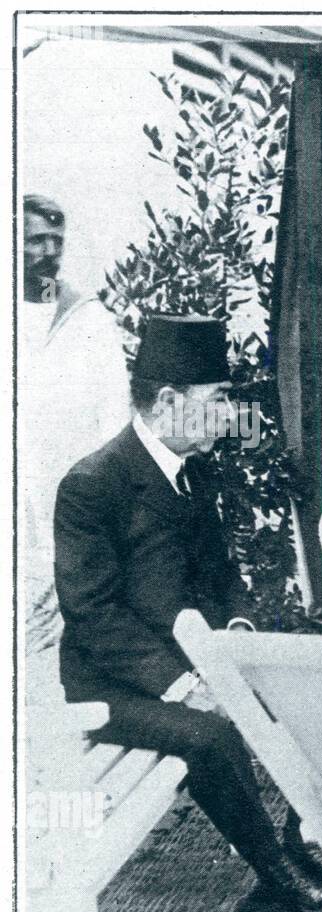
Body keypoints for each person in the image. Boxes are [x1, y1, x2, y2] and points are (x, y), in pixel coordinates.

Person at [53, 314, 322, 912]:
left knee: (305, 692)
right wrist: (184, 686)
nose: (228, 417)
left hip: (196, 663)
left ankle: (305, 843)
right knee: (211, 736)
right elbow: (94, 616)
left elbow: (222, 579)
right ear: (169, 402)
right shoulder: (92, 485)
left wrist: (237, 637)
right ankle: (276, 872)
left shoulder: (191, 473)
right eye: (218, 401)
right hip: (115, 687)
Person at [21, 194, 132, 648]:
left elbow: (114, 417)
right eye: (34, 240)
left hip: (69, 499)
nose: (48, 252)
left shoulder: (91, 320)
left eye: (56, 241)